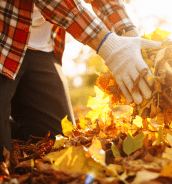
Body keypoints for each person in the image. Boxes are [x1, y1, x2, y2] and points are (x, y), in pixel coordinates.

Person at [0, 0, 161, 172]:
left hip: (38, 47)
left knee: (55, 144)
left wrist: (130, 38)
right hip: (4, 37)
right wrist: (109, 46)